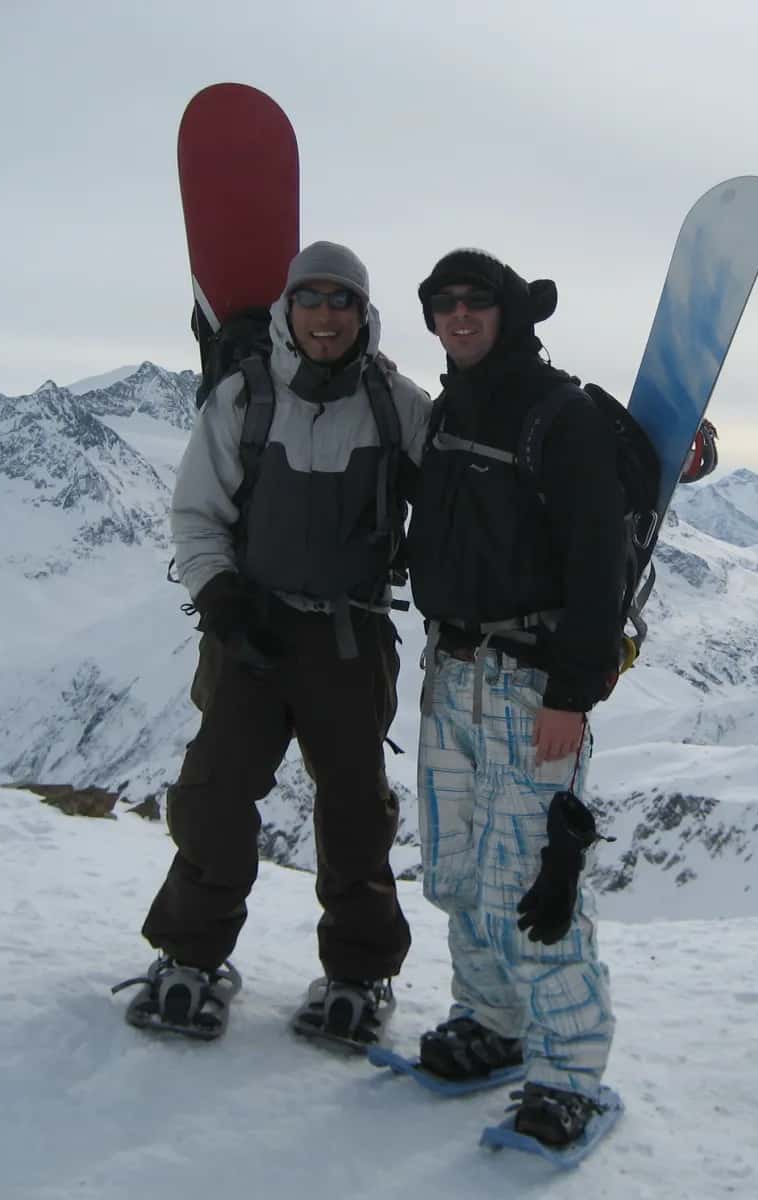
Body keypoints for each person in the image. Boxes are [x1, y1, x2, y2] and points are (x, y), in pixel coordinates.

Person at [119, 241, 432, 1043]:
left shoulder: (400, 405)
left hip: (350, 636)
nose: (326, 315)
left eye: (342, 301)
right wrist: (221, 598)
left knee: (356, 811)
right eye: (311, 299)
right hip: (250, 635)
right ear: (287, 311)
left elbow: (459, 506)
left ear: (364, 314)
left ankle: (358, 977)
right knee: (215, 797)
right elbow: (197, 514)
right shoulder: (243, 398)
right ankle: (191, 958)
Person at [404, 248, 626, 1146]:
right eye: (443, 303)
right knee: (457, 869)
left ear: (509, 313)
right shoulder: (453, 407)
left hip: (533, 685)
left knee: (535, 885)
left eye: (476, 302)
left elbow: (597, 559)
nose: (459, 315)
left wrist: (573, 691)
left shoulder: (557, 415)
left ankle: (567, 1070)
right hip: (451, 673)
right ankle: (492, 1024)